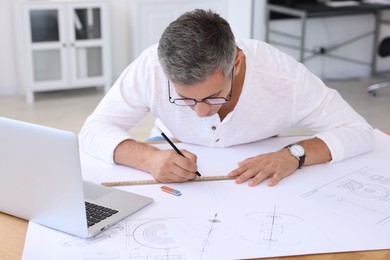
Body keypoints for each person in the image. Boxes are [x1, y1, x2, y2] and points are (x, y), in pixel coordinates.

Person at [79, 9, 374, 187]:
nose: (201, 113)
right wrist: (149, 159)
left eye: (213, 96)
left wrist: (294, 154)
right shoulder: (150, 66)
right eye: (186, 99)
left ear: (237, 62)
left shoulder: (284, 76)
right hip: (174, 161)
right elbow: (93, 130)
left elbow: (358, 132)